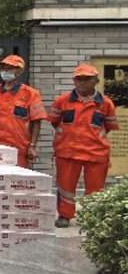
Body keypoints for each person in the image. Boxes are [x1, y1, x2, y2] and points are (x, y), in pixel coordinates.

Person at [47, 64, 119, 227]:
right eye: (78, 78)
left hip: (96, 152)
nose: (82, 82)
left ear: (96, 81)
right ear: (74, 80)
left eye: (87, 79)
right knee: (65, 186)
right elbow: (54, 121)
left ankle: (93, 217)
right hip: (67, 150)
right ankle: (65, 215)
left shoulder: (106, 103)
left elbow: (108, 127)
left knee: (95, 188)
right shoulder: (62, 101)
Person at [0, 55, 47, 168]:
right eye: (3, 69)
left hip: (19, 148)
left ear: (19, 71)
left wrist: (32, 146)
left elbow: (36, 122)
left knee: (18, 178)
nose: (5, 71)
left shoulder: (31, 94)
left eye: (9, 69)